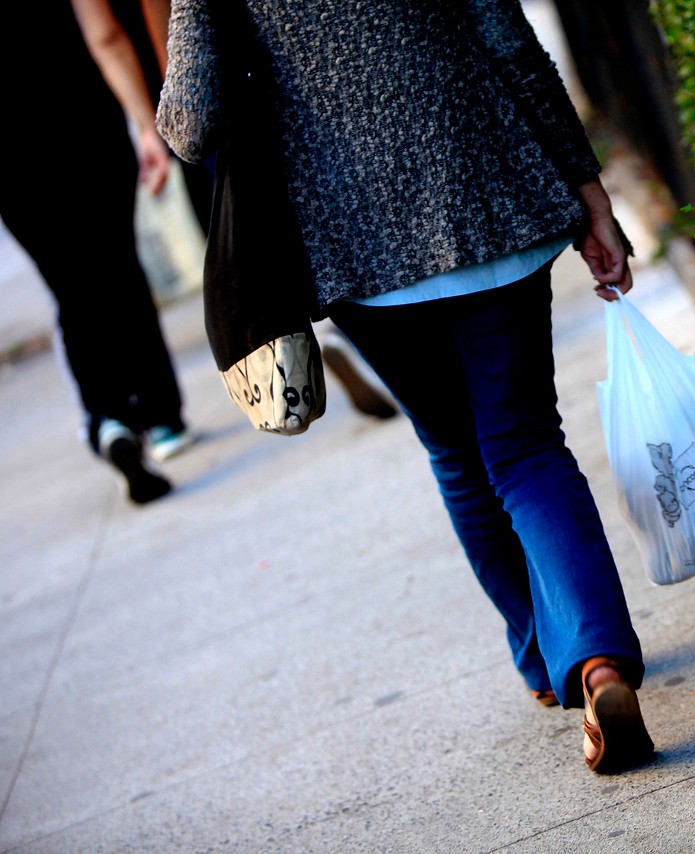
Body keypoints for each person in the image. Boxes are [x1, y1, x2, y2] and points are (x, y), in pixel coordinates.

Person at [159, 0, 654, 772]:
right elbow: (509, 38)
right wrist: (588, 191)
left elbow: (189, 122)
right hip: (491, 191)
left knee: (456, 450)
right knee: (526, 445)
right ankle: (598, 663)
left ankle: (541, 659)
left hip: (354, 241)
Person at [0, 2, 193, 504]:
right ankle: (163, 418)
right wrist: (148, 124)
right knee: (120, 267)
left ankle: (110, 418)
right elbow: (106, 36)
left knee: (70, 287)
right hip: (87, 130)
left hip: (9, 159)